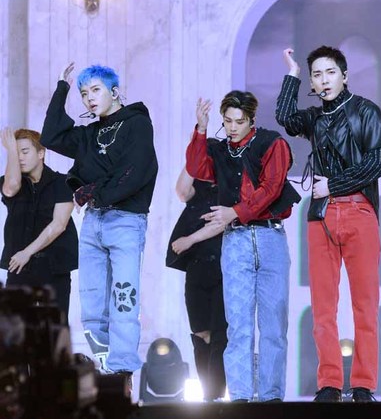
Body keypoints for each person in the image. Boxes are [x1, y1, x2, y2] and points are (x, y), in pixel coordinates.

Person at [276, 46, 381, 403]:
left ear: (344, 75)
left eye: (330, 73)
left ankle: (363, 385)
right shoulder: (314, 118)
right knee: (323, 307)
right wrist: (292, 74)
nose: (323, 80)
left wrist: (334, 185)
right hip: (321, 217)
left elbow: (376, 163)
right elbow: (285, 117)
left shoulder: (367, 111)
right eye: (316, 75)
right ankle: (328, 383)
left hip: (358, 212)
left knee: (365, 305)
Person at [40, 62, 158, 392]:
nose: (89, 98)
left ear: (114, 91)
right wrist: (62, 89)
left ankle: (122, 372)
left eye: (95, 90)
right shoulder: (90, 134)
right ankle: (106, 369)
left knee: (123, 299)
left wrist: (94, 191)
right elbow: (51, 136)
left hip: (125, 220)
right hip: (94, 221)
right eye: (84, 93)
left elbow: (136, 170)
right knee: (91, 302)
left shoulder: (137, 123)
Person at [186, 90, 300, 402]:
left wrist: (235, 211)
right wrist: (201, 128)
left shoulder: (272, 143)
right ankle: (239, 397)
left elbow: (272, 187)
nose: (233, 127)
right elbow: (197, 168)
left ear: (251, 120)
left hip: (270, 237)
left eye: (239, 121)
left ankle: (271, 396)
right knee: (238, 325)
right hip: (235, 241)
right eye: (228, 121)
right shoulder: (220, 149)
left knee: (274, 323)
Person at [1, 127, 78, 318]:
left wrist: (27, 252)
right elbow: (11, 188)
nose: (20, 158)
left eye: (24, 152)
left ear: (41, 153)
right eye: (15, 153)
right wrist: (11, 151)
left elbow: (58, 225)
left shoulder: (63, 182)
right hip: (18, 266)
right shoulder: (11, 181)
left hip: (53, 266)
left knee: (54, 327)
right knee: (14, 328)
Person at [166, 165, 227, 400]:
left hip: (223, 266)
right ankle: (207, 397)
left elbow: (221, 223)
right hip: (196, 267)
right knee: (201, 333)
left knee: (219, 334)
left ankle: (217, 397)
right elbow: (181, 191)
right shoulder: (198, 188)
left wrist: (190, 239)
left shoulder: (230, 186)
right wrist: (194, 154)